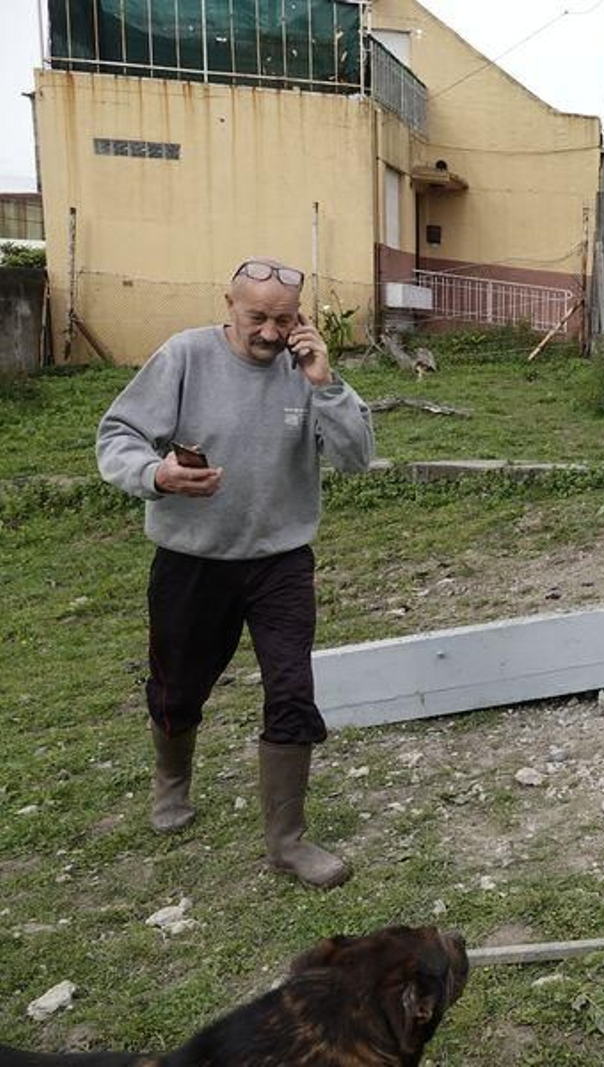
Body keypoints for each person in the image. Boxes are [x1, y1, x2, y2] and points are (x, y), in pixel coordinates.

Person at [96, 257, 375, 889]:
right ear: (229, 304)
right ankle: (171, 784)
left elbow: (357, 459)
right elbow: (119, 435)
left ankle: (288, 842)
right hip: (192, 560)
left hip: (279, 560)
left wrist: (326, 382)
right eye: (257, 317)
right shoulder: (185, 356)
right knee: (178, 687)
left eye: (284, 319)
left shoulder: (308, 371)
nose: (271, 332)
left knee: (291, 689)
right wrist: (155, 474)